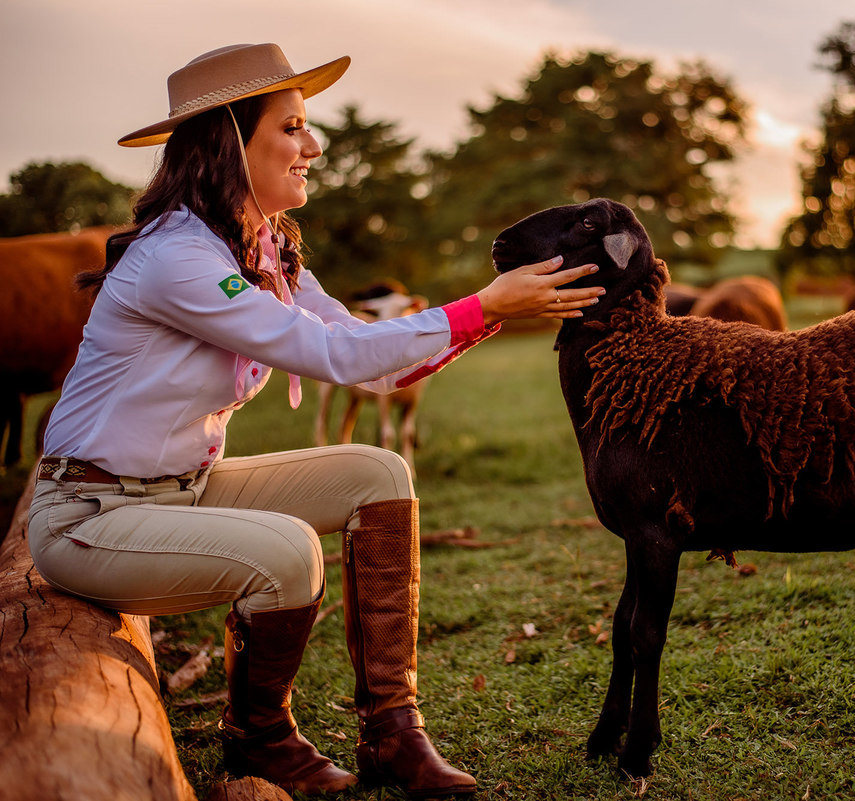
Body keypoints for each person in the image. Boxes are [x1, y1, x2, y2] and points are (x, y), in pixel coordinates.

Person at [27, 43, 602, 797]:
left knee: (379, 471)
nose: (314, 145)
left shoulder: (264, 250)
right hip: (89, 514)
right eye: (293, 127)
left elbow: (375, 361)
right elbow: (328, 352)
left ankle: (393, 731)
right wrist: (485, 306)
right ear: (232, 143)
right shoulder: (178, 259)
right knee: (289, 551)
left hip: (178, 491)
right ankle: (257, 736)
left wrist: (486, 315)